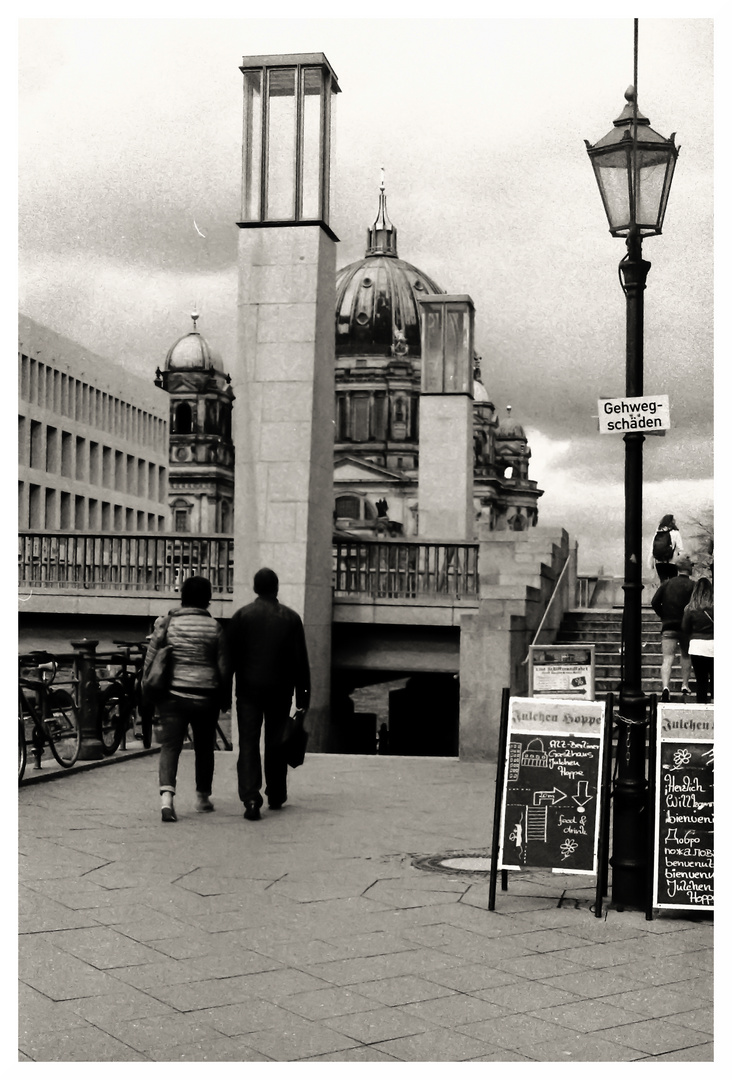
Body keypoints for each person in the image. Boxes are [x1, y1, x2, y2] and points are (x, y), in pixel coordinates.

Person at [143, 575, 231, 823]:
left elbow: (151, 660)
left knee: (171, 747)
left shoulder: (167, 623)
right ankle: (202, 798)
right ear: (208, 599)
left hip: (172, 696)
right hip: (206, 696)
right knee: (204, 747)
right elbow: (224, 667)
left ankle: (166, 801)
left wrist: (146, 691)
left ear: (182, 597)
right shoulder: (215, 628)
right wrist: (225, 698)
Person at [227, 568, 310, 821]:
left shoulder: (241, 617)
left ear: (255, 588)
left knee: (248, 743)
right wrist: (303, 698)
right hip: (280, 690)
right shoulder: (291, 618)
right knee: (276, 742)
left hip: (248, 690)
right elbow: (300, 662)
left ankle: (251, 798)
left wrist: (222, 693)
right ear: (276, 588)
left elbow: (229, 659)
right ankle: (276, 793)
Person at [650, 555, 694, 702]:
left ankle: (665, 687)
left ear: (677, 568)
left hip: (668, 626)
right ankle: (685, 684)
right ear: (689, 569)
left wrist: (664, 616)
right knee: (686, 656)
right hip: (686, 627)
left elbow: (654, 602)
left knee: (667, 658)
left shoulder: (667, 584)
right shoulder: (693, 586)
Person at [682, 577, 714, 704]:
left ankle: (701, 707)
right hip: (713, 645)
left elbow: (685, 628)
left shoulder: (690, 608)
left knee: (701, 681)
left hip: (696, 646)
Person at [648, 514, 684, 581]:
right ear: (672, 522)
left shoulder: (658, 533)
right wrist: (682, 564)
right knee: (672, 584)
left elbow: (652, 550)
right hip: (672, 562)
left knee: (663, 584)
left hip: (659, 562)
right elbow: (680, 549)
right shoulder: (675, 533)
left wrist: (651, 565)